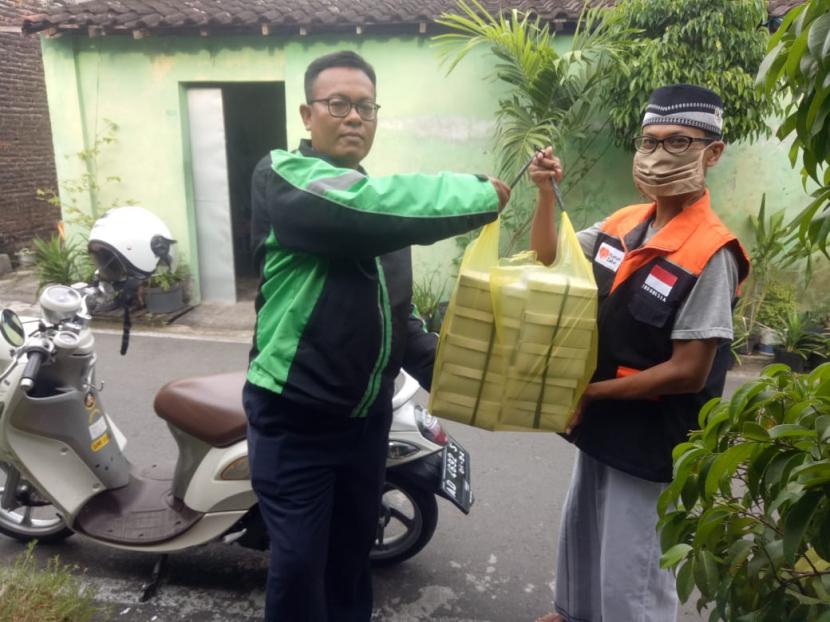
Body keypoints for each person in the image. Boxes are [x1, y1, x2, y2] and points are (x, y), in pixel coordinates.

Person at [243, 50, 510, 622]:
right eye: (337, 104)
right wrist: (477, 194)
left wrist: (484, 388)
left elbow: (402, 325)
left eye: (365, 106)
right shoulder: (288, 178)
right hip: (295, 420)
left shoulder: (383, 215)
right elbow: (363, 208)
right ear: (307, 114)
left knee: (350, 564)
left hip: (365, 425)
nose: (353, 117)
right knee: (296, 571)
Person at [528, 84, 750, 622]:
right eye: (648, 141)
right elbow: (547, 255)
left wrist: (587, 392)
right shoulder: (625, 222)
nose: (656, 156)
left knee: (635, 569)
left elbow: (688, 371)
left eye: (677, 142)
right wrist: (544, 192)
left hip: (653, 439)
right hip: (602, 425)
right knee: (584, 535)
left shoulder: (711, 252)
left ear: (712, 153)